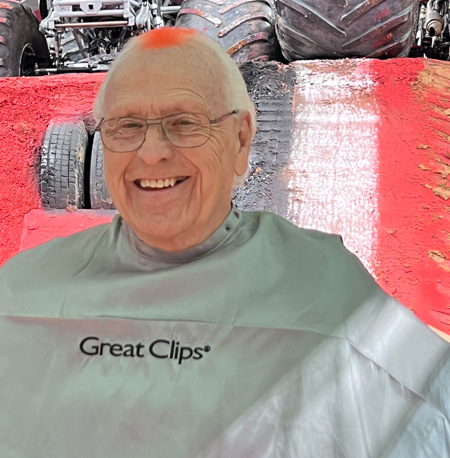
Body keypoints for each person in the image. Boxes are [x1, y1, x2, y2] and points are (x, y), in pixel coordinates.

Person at [0, 27, 449, 458]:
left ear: (241, 139)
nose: (152, 151)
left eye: (184, 123)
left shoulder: (322, 285)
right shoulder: (22, 291)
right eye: (127, 126)